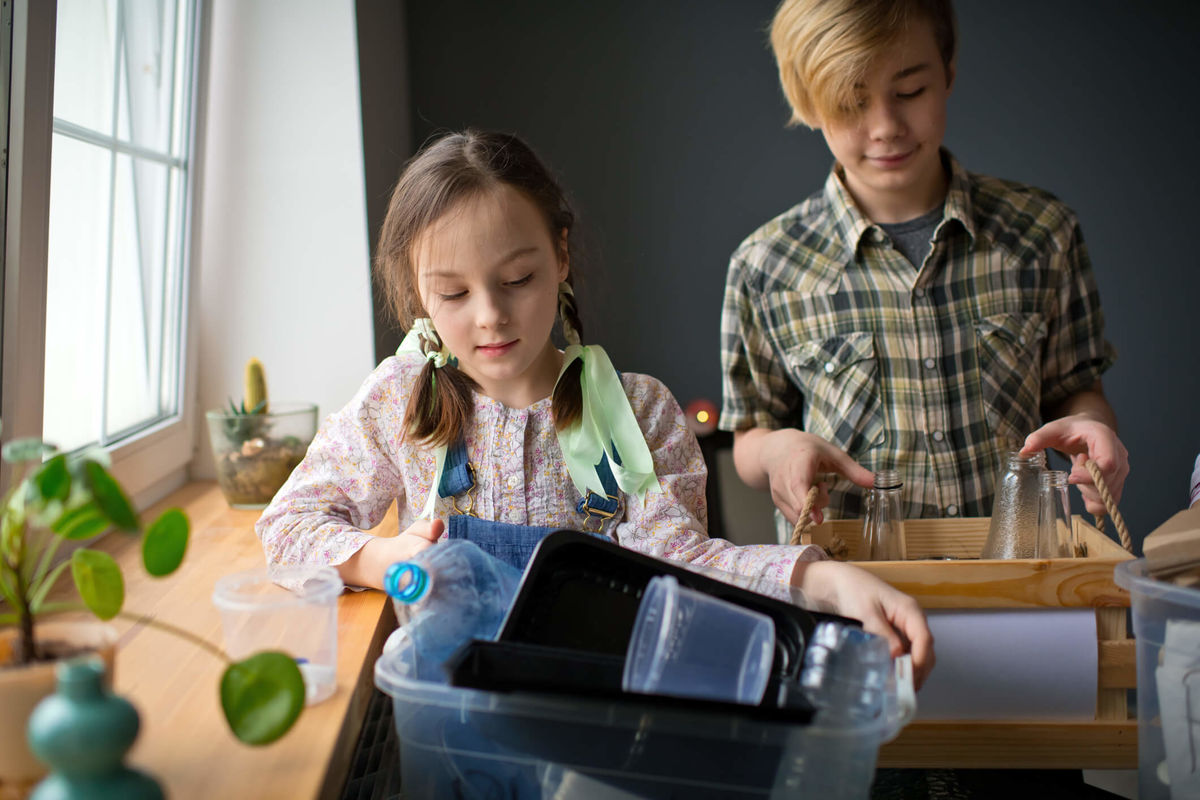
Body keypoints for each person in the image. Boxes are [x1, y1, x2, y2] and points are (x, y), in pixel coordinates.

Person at [257, 129, 933, 683]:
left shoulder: (641, 412)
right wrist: (388, 559)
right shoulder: (398, 402)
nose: (490, 316)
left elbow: (680, 565)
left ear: (560, 255)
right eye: (455, 294)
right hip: (454, 723)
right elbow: (288, 528)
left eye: (517, 279)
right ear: (417, 289)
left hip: (597, 719)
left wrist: (828, 580)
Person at [721, 0, 1129, 538]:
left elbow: (1078, 389)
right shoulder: (765, 264)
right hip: (851, 582)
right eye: (850, 101)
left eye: (910, 91)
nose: (886, 126)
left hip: (1016, 572)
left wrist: (1094, 428)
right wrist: (776, 450)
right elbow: (750, 433)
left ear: (948, 72)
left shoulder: (1043, 232)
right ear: (809, 103)